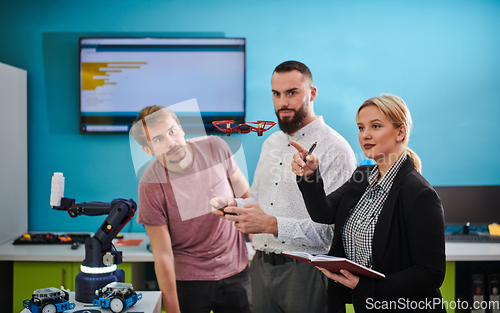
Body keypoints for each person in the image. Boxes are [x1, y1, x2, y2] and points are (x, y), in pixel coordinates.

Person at [211, 61, 357, 313]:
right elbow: (258, 200)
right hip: (260, 268)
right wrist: (234, 206)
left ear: (311, 93)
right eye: (276, 94)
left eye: (292, 93)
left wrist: (270, 224)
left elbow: (331, 233)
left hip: (308, 274)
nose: (282, 103)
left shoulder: (336, 149)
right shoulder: (271, 143)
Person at [291, 94, 446, 312]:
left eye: (375, 126)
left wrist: (368, 287)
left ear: (400, 132)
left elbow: (431, 273)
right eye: (361, 128)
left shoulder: (419, 193)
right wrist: (310, 177)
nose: (365, 135)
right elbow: (323, 214)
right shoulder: (361, 176)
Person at [131, 105, 252, 313]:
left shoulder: (216, 147)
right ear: (147, 150)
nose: (171, 143)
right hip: (189, 280)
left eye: (172, 131)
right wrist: (173, 309)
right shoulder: (150, 184)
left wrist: (259, 240)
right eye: (159, 139)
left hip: (236, 271)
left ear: (181, 128)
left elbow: (246, 197)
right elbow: (163, 255)